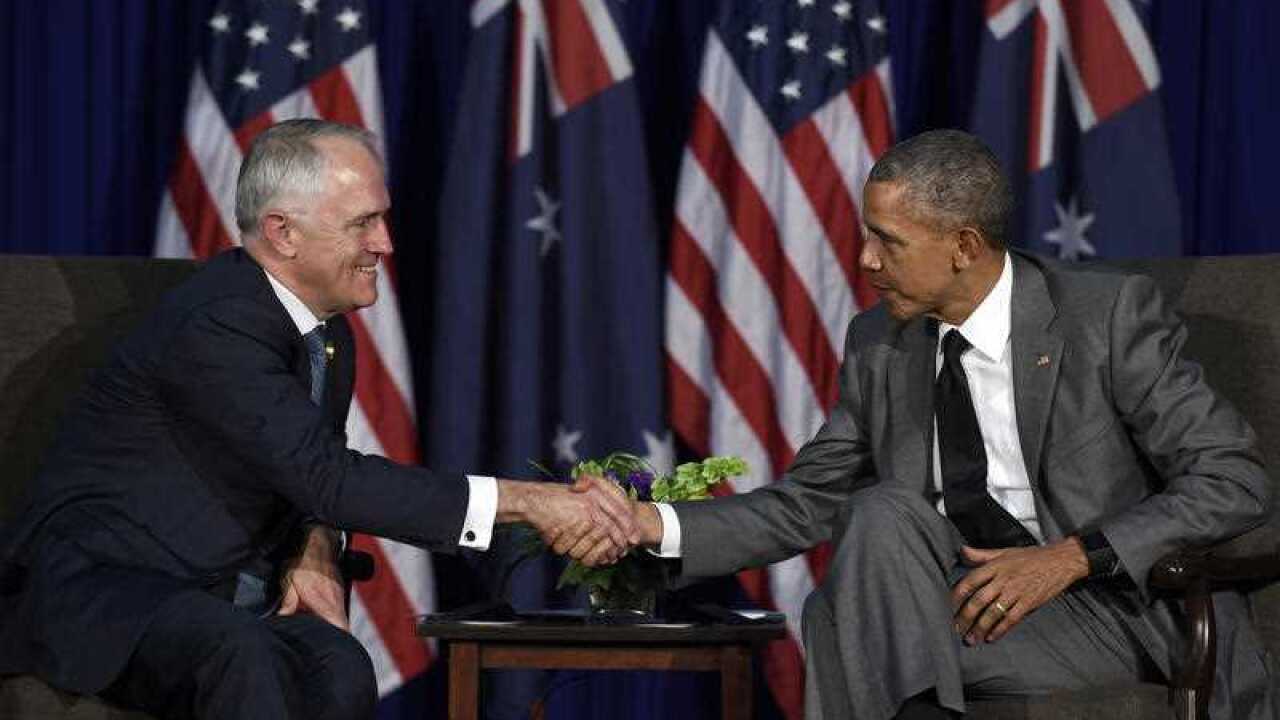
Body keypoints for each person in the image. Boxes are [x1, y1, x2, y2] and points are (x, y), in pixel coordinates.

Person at [624, 129, 1275, 719]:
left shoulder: (1104, 319)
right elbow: (803, 507)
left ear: (964, 246)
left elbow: (1234, 479)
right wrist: (650, 525)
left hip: (1114, 610)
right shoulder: (882, 341)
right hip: (967, 609)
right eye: (866, 234)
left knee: (845, 623)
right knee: (878, 520)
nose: (866, 260)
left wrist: (1069, 558)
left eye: (889, 240)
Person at [0, 119, 634, 720]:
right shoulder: (220, 324)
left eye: (381, 219)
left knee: (339, 663)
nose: (384, 243)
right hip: (108, 592)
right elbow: (327, 476)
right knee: (240, 654)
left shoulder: (324, 332)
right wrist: (529, 502)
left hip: (217, 589)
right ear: (282, 233)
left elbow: (296, 473)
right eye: (364, 223)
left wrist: (317, 545)